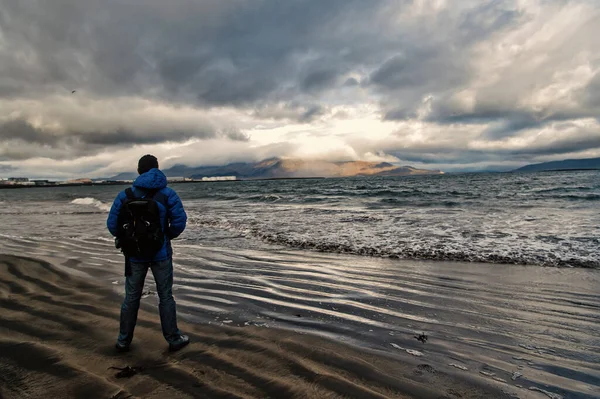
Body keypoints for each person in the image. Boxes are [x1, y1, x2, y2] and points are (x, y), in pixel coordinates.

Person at [107, 154, 189, 352]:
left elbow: (112, 224)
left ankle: (123, 341)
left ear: (138, 171)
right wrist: (166, 236)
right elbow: (179, 221)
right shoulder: (167, 194)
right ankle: (173, 339)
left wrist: (127, 239)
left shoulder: (125, 195)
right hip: (161, 253)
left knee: (131, 297)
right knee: (166, 296)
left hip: (134, 255)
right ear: (157, 168)